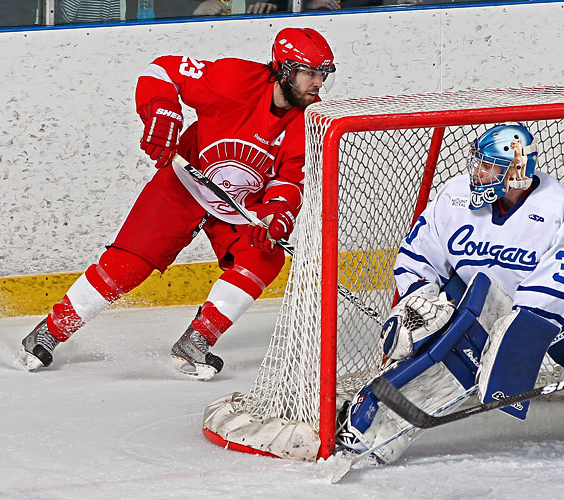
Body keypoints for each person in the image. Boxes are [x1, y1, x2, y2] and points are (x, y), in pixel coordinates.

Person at [20, 27, 337, 380]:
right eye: (310, 73)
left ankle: (196, 341)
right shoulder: (234, 80)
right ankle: (49, 331)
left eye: (322, 75)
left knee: (265, 256)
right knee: (128, 266)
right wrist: (163, 109)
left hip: (239, 203)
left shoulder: (312, 119)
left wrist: (278, 214)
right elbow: (161, 71)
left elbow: (291, 178)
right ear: (283, 69)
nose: (317, 84)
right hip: (186, 181)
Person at [335, 123, 564, 463]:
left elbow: (558, 283)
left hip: (549, 310)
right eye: (478, 162)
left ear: (516, 172)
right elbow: (418, 255)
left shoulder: (555, 207)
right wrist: (419, 300)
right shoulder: (454, 195)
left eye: (489, 166)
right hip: (472, 297)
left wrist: (517, 333)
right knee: (450, 351)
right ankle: (375, 425)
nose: (477, 173)